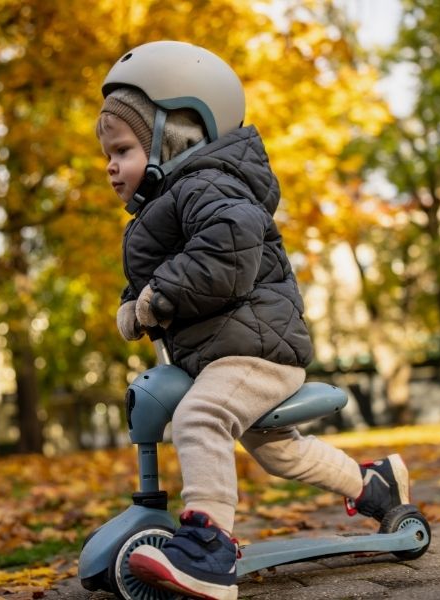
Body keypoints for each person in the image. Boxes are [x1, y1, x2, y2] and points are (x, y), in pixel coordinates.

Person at [95, 40, 410, 600]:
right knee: (282, 451)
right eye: (107, 156)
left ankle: (210, 546)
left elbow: (226, 255)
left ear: (177, 134)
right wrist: (134, 299)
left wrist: (159, 296)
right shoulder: (171, 200)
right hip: (229, 353)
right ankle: (375, 486)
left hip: (257, 351)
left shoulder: (211, 185)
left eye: (121, 149)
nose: (111, 167)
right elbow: (163, 266)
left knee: (200, 417)